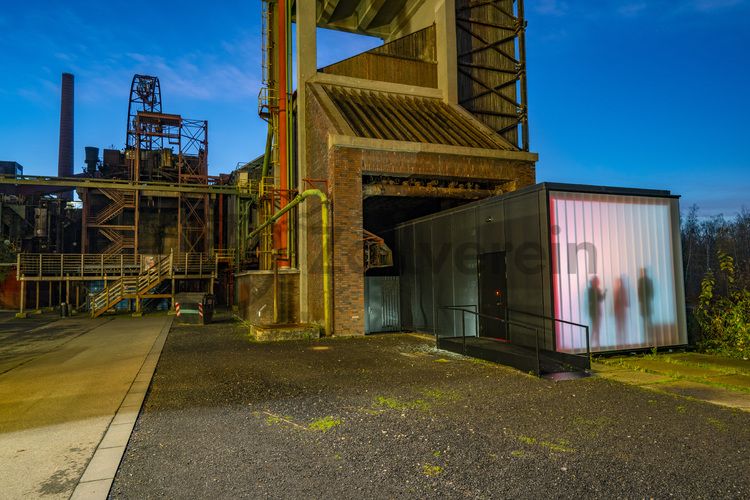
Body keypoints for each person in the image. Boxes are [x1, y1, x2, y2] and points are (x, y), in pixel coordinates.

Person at [586, 276, 606, 348]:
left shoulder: (597, 289)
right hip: (594, 312)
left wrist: (604, 294)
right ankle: (591, 343)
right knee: (595, 328)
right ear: (594, 282)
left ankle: (596, 343)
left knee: (597, 328)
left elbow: (600, 299)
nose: (598, 283)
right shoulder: (590, 290)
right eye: (597, 281)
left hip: (598, 311)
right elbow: (592, 300)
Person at [637, 267, 655, 340]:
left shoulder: (649, 281)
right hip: (643, 303)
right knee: (644, 319)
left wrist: (650, 298)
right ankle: (645, 336)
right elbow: (639, 291)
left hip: (647, 302)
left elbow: (651, 290)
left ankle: (651, 335)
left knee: (649, 319)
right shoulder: (640, 281)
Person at [613, 275, 630, 347]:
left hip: (621, 311)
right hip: (619, 311)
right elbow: (616, 301)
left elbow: (625, 300)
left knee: (622, 327)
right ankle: (620, 343)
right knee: (620, 327)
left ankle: (623, 343)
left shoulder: (621, 290)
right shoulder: (617, 290)